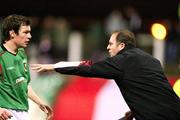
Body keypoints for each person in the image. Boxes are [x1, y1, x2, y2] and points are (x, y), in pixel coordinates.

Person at [32, 29, 180, 120]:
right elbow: (153, 90)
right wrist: (136, 110)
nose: (108, 48)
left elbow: (87, 67)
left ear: (121, 46)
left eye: (111, 44)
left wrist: (53, 66)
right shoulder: (152, 60)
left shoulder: (122, 61)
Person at [0, 14, 53, 120]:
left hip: (23, 111)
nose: (30, 36)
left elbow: (24, 83)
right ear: (12, 33)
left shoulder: (21, 53)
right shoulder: (1, 56)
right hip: (6, 112)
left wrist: (40, 102)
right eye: (25, 32)